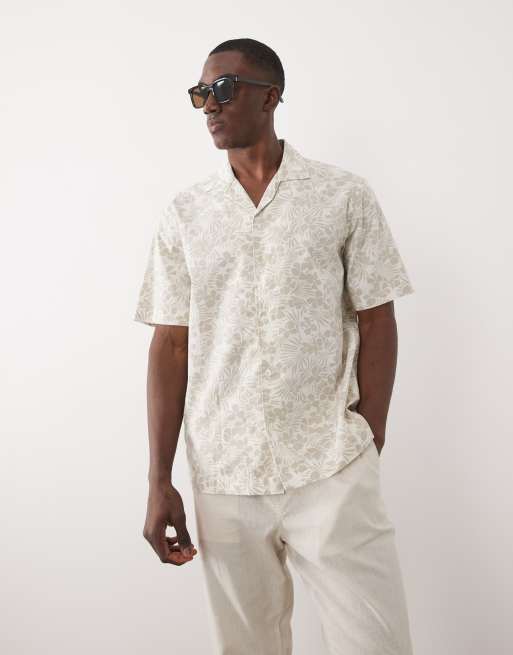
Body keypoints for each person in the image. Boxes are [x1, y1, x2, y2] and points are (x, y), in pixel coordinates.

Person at [134, 37, 415, 655]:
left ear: (271, 97)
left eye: (223, 88)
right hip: (224, 472)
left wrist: (368, 438)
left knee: (377, 643)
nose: (210, 104)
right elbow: (171, 346)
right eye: (200, 94)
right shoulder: (185, 213)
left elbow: (377, 317)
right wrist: (159, 479)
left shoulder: (343, 195)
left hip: (330, 463)